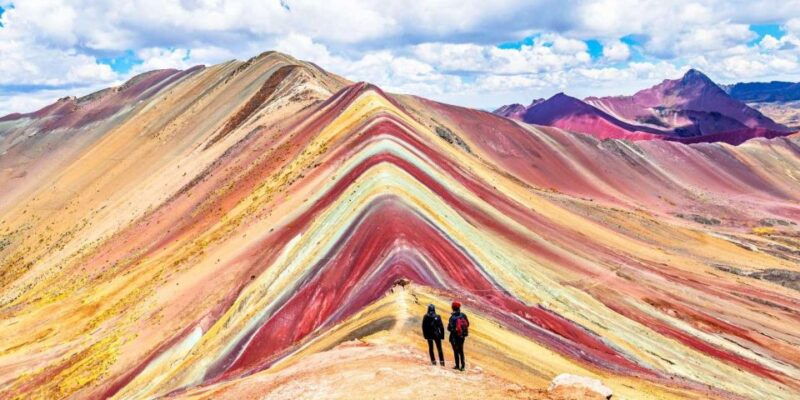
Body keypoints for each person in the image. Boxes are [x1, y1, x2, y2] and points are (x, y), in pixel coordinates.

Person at [447, 301, 469, 371]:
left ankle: (457, 365)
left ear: (453, 308)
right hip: (462, 336)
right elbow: (467, 324)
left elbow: (449, 328)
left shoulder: (452, 318)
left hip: (454, 337)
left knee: (455, 351)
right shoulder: (463, 315)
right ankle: (463, 366)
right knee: (461, 351)